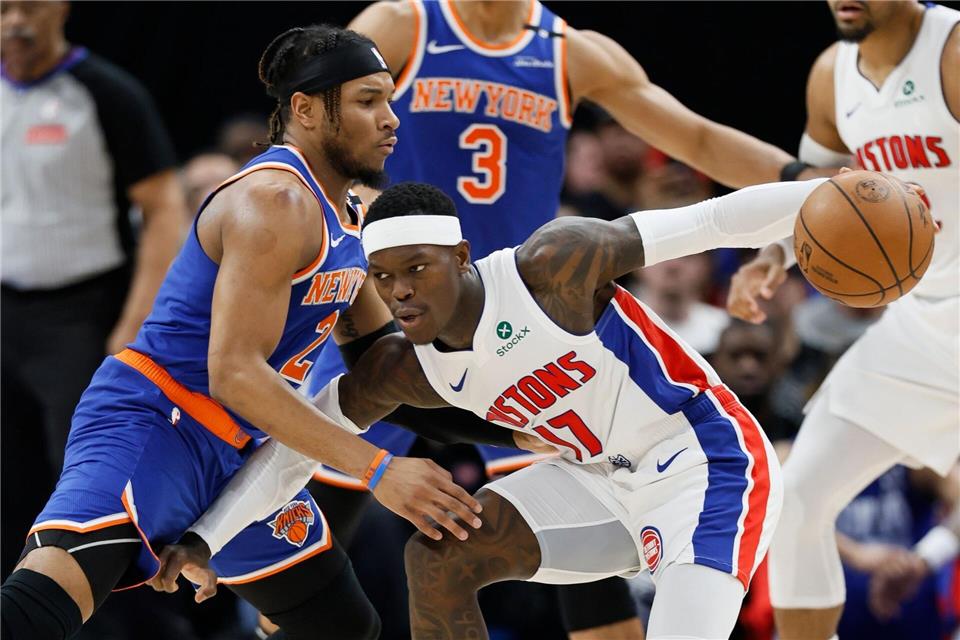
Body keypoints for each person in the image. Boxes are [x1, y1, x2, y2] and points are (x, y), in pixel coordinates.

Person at [157, 175, 931, 639]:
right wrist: (205, 537)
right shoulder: (406, 370)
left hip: (708, 463)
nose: (399, 292)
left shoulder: (553, 266)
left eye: (417, 269)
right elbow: (296, 449)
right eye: (383, 278)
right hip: (599, 480)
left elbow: (714, 221)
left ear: (461, 257)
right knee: (439, 559)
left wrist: (830, 196)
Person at [314, 2, 819, 634]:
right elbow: (318, 130)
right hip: (407, 313)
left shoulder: (568, 51)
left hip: (527, 315)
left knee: (586, 587)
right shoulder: (403, 26)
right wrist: (343, 205)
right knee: (309, 538)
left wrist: (809, 181)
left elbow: (695, 139)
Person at [0, 24, 517, 640]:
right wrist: (380, 471)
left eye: (389, 99)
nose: (390, 119)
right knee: (36, 614)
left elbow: (386, 370)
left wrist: (527, 426)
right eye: (367, 100)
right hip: (158, 425)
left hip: (238, 448)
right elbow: (235, 374)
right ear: (306, 110)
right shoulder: (274, 200)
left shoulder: (347, 215)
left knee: (341, 626)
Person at [725, 2, 959, 639]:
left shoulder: (953, 52)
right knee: (797, 496)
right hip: (922, 328)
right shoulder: (831, 74)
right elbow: (817, 197)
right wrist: (774, 256)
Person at [0, 0, 187, 578]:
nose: (15, 21)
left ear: (60, 8)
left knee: (84, 488)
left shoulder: (108, 94)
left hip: (82, 316)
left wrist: (133, 325)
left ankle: (114, 614)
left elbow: (164, 208)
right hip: (5, 311)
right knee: (8, 480)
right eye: (3, 9)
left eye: (28, 7)